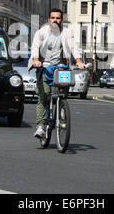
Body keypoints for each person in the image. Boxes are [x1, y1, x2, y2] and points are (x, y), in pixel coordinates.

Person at [28, 8, 86, 138]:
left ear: (62, 20)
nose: (55, 20)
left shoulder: (66, 33)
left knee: (62, 95)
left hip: (61, 68)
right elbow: (35, 47)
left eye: (58, 18)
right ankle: (41, 127)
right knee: (44, 95)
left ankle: (61, 112)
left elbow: (73, 48)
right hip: (44, 66)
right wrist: (36, 60)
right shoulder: (41, 32)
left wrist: (78, 61)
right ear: (49, 20)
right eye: (53, 18)